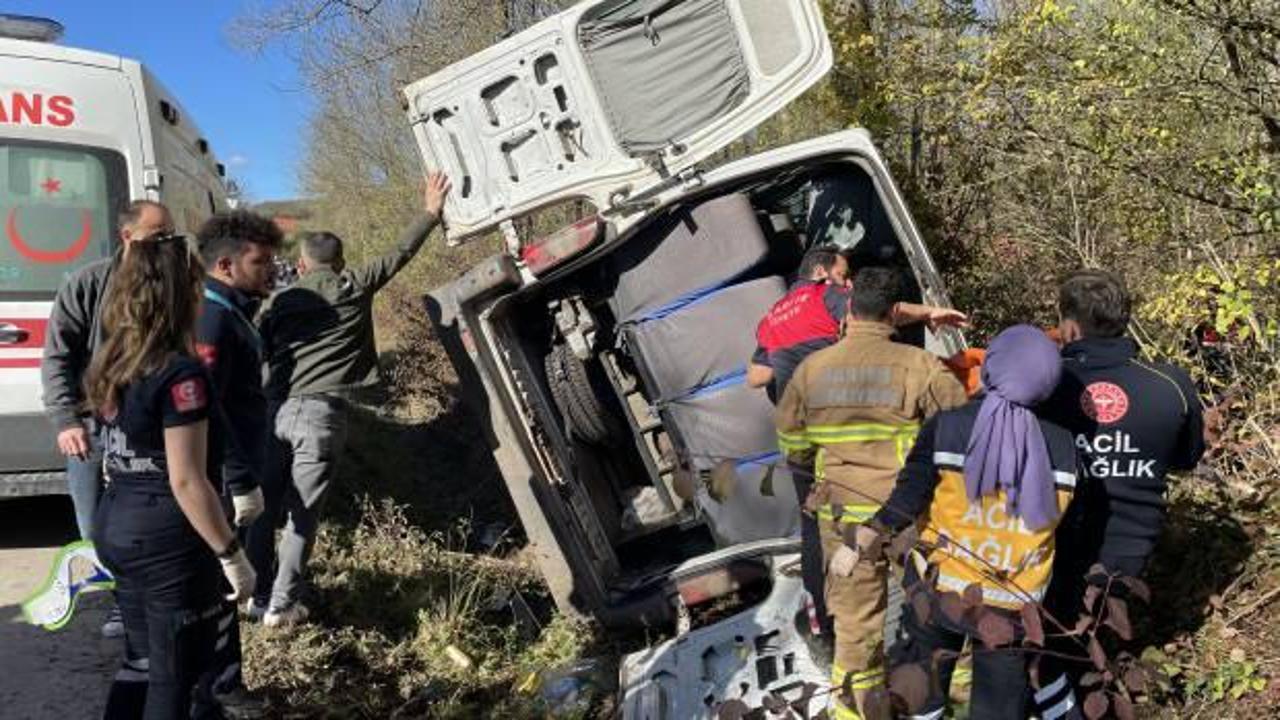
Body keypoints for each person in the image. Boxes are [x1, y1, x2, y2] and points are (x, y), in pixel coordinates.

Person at [249, 172, 451, 627]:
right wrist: (430, 212)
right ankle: (282, 606)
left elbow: (260, 355)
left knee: (265, 506)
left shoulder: (279, 302)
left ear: (301, 266)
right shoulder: (354, 285)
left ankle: (256, 594)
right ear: (340, 262)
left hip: (276, 412)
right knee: (302, 514)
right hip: (322, 415)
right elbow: (399, 254)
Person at [847, 325, 1078, 719]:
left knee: (920, 695)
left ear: (992, 366)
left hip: (937, 591)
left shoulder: (948, 426)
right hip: (1011, 608)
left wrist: (869, 533)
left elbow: (910, 493)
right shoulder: (1064, 445)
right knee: (998, 710)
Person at [775, 266, 968, 720]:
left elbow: (793, 446)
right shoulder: (920, 367)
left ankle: (853, 710)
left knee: (855, 622)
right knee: (939, 606)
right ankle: (962, 692)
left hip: (843, 518)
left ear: (849, 309)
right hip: (910, 515)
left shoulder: (810, 370)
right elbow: (961, 433)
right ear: (896, 312)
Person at [85, 235, 256, 719]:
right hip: (168, 545)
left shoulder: (112, 360)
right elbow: (187, 481)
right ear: (180, 295)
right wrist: (232, 554)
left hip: (117, 524)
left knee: (139, 663)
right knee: (173, 677)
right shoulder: (180, 374)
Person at [1033, 270, 1206, 719]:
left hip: (1053, 551)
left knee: (1053, 661)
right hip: (1133, 556)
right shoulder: (1170, 384)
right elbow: (1186, 458)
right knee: (1096, 652)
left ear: (1069, 326)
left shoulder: (1044, 385)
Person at [42, 199, 174, 638]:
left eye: (170, 237)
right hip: (91, 425)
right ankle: (121, 602)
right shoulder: (86, 284)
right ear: (127, 237)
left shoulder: (169, 287)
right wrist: (66, 419)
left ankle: (151, 600)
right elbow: (57, 357)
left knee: (149, 516)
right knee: (95, 519)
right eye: (158, 237)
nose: (166, 246)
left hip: (148, 425)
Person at [191, 210, 283, 717]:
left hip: (231, 473)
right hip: (220, 480)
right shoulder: (212, 316)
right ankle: (219, 689)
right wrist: (239, 478)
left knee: (224, 589)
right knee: (220, 590)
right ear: (226, 264)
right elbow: (208, 407)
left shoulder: (232, 307)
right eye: (260, 261)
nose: (271, 269)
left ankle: (222, 684)